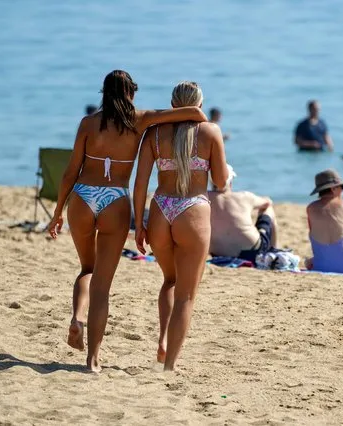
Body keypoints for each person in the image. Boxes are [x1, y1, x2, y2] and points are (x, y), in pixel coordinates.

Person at [47, 71, 208, 372]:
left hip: (82, 197)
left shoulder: (88, 123)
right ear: (131, 92)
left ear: (103, 94)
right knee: (102, 286)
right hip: (114, 202)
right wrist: (176, 113)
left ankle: (77, 318)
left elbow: (70, 172)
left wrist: (57, 212)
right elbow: (196, 113)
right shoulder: (141, 119)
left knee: (86, 269)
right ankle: (93, 359)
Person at [133, 81, 228, 371]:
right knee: (186, 294)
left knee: (169, 282)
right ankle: (170, 366)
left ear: (173, 104)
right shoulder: (210, 131)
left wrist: (139, 224)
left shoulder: (155, 134)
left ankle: (162, 340)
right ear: (198, 104)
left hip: (161, 208)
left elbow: (140, 184)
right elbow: (222, 182)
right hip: (192, 211)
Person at [209, 165, 278, 261]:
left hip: (218, 254)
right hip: (252, 251)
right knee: (268, 208)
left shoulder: (203, 198)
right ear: (231, 182)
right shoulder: (244, 197)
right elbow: (267, 202)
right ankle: (273, 250)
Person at [305, 169, 343, 274]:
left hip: (320, 267)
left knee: (308, 261)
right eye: (342, 187)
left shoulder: (310, 208)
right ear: (333, 188)